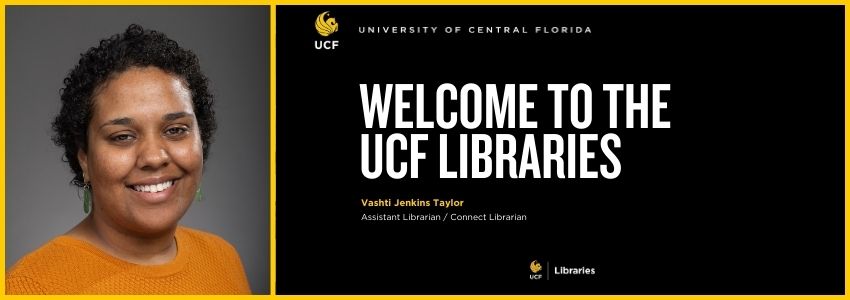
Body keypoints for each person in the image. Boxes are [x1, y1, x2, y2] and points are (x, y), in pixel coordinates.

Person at [6, 24, 251, 294]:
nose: (154, 157)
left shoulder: (223, 258)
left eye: (176, 130)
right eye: (123, 136)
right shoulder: (31, 287)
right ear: (84, 158)